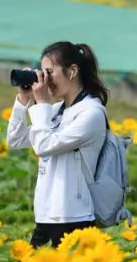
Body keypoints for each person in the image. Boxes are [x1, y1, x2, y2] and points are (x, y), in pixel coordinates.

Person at [6, 41, 110, 249]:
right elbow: (15, 140)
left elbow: (44, 146)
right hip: (46, 214)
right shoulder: (56, 111)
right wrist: (23, 99)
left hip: (74, 217)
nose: (44, 80)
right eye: (42, 72)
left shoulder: (91, 113)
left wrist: (42, 104)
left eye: (50, 72)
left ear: (72, 71)